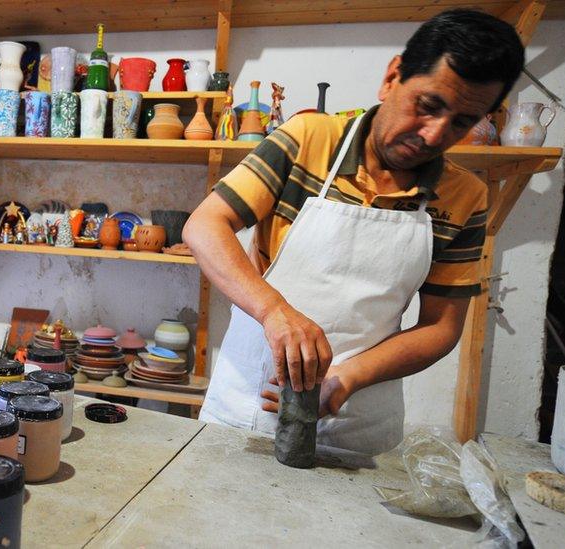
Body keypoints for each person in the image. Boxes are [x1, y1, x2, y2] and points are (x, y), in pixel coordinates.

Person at [183, 9, 524, 455]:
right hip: (250, 403)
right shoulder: (309, 139)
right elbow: (205, 226)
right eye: (428, 106)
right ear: (393, 77)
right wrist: (275, 313)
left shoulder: (464, 195)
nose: (435, 134)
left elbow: (441, 326)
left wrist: (350, 377)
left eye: (462, 122)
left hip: (360, 420)